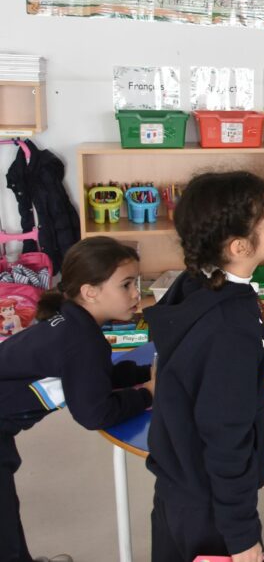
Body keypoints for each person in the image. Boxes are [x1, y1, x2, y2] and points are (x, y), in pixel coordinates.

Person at [145, 171, 264, 562]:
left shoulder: (198, 285)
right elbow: (225, 435)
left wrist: (256, 452)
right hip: (211, 510)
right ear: (241, 246)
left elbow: (211, 404)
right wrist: (242, 538)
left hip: (179, 487)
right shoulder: (230, 327)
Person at [0, 237, 154, 562]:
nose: (136, 293)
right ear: (90, 291)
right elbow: (94, 413)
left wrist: (142, 374)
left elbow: (88, 379)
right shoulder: (83, 341)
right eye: (126, 285)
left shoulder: (72, 324)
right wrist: (149, 394)